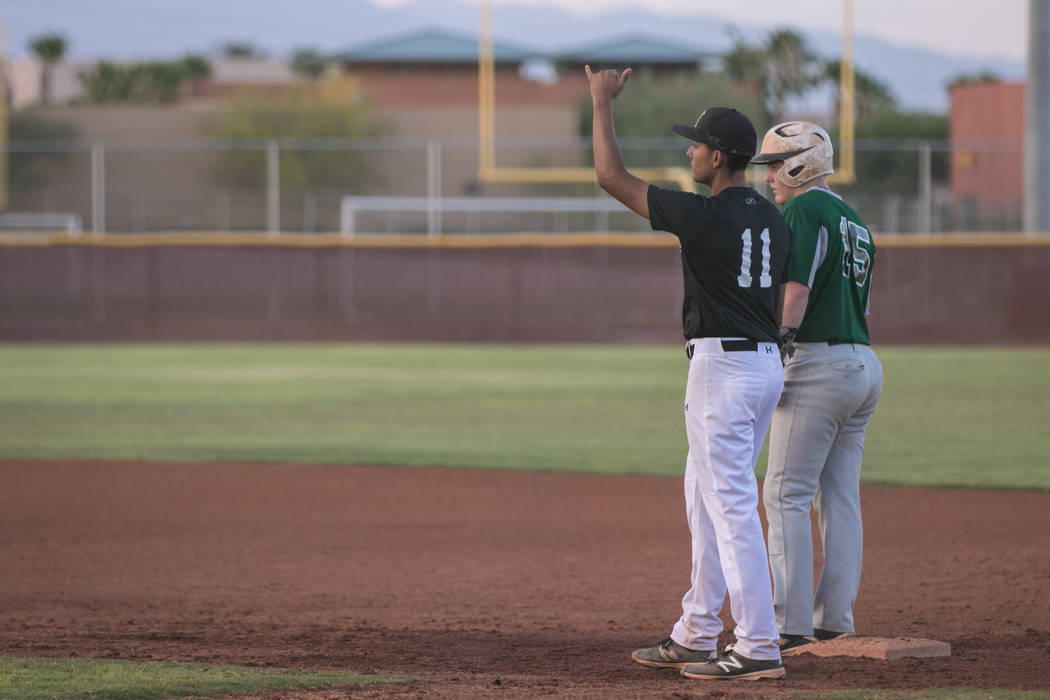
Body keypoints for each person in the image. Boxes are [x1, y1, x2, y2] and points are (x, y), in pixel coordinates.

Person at [584, 64, 789, 681]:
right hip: (763, 365)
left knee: (728, 507)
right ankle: (698, 630)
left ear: (721, 157)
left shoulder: (707, 215)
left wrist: (600, 106)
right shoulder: (772, 218)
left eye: (696, 143)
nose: (690, 151)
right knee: (704, 498)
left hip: (723, 370)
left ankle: (758, 645)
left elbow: (609, 177)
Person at [750, 121, 883, 655]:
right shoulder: (856, 220)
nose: (770, 178)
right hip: (863, 364)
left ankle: (791, 622)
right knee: (840, 499)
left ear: (803, 163)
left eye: (775, 166)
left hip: (818, 362)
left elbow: (797, 290)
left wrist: (775, 342)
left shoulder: (804, 210)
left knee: (784, 494)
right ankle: (835, 620)